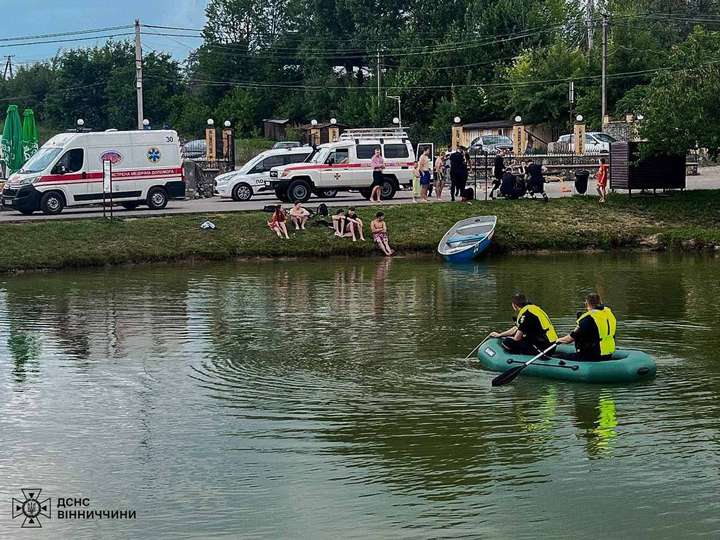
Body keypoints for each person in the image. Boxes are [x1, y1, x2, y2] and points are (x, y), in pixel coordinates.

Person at [489, 293, 558, 355]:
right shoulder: (533, 309)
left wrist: (507, 338)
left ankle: (518, 357)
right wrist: (500, 335)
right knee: (521, 338)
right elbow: (516, 328)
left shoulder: (526, 314)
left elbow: (517, 338)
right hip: (551, 344)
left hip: (544, 348)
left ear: (514, 305)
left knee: (507, 342)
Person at [557, 293, 617, 360]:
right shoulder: (609, 314)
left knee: (558, 357)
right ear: (600, 302)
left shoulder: (588, 319)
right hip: (608, 354)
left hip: (593, 356)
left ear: (587, 303)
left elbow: (569, 339)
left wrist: (558, 340)